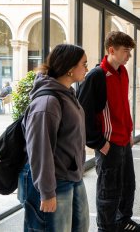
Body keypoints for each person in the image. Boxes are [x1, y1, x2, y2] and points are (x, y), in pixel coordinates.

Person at [77, 31, 140, 232]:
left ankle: (123, 220)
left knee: (127, 186)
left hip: (124, 141)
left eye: (130, 51)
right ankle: (106, 228)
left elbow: (123, 106)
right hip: (108, 144)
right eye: (126, 51)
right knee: (109, 191)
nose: (129, 56)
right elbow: (84, 112)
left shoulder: (122, 72)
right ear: (111, 50)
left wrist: (129, 132)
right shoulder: (97, 76)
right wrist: (99, 143)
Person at [18, 44, 89, 231]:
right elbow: (40, 150)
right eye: (84, 64)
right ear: (70, 69)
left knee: (80, 227)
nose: (87, 69)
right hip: (54, 182)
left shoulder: (68, 95)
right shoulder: (48, 102)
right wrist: (47, 192)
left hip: (72, 176)